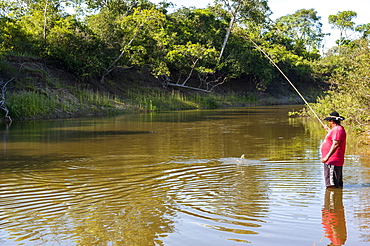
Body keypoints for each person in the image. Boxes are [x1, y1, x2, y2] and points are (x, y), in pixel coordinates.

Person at [321, 111, 346, 189]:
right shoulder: (336, 129)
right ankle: (336, 199)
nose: (329, 123)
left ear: (332, 121)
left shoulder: (337, 130)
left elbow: (335, 144)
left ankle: (332, 200)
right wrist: (328, 130)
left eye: (329, 121)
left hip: (332, 161)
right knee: (335, 184)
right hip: (334, 161)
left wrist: (326, 157)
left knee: (331, 186)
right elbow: (334, 137)